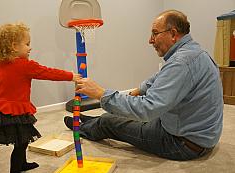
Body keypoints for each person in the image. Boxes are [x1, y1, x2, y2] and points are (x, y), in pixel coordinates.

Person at [64, 10, 223, 161]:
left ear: (173, 34)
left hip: (183, 143)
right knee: (117, 115)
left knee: (109, 122)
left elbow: (147, 109)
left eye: (155, 33)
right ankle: (93, 121)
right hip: (199, 135)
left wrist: (101, 94)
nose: (150, 40)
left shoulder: (180, 63)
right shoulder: (194, 52)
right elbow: (161, 77)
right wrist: (140, 90)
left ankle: (85, 128)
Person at [0, 22, 80, 173]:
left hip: (1, 111)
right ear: (14, 46)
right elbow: (48, 72)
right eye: (27, 44)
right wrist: (70, 76)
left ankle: (23, 163)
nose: (30, 48)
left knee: (23, 139)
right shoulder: (25, 65)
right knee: (20, 143)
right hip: (14, 111)